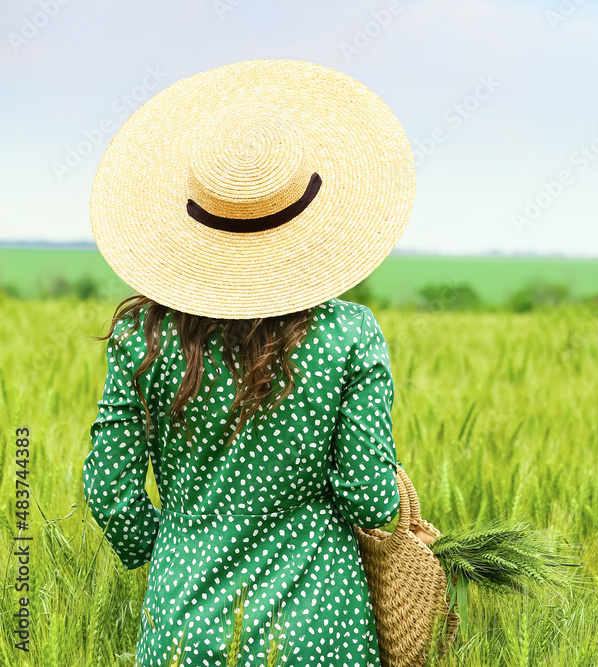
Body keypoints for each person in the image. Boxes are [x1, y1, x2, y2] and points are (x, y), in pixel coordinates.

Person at [83, 58, 431, 667]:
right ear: (310, 217)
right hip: (321, 630)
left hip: (182, 629)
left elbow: (110, 490)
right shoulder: (349, 333)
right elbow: (368, 497)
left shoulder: (142, 335)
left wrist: (177, 544)